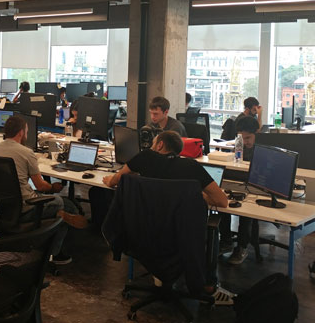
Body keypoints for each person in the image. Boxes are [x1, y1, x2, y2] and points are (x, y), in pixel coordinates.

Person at [102, 131, 233, 304]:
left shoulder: (144, 157)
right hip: (179, 239)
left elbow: (117, 179)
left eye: (153, 142)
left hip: (141, 233)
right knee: (213, 228)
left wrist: (108, 180)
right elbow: (222, 201)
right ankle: (209, 286)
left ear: (160, 145)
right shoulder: (191, 166)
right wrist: (198, 195)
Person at [0, 115, 88, 264]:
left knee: (64, 206)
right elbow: (41, 186)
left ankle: (50, 240)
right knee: (65, 205)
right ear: (21, 133)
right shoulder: (26, 152)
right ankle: (54, 253)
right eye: (26, 131)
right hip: (26, 207)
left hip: (5, 208)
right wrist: (53, 187)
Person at [220, 115, 259, 265]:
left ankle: (242, 246)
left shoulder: (263, 148)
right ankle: (226, 241)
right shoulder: (239, 143)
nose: (245, 141)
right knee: (222, 204)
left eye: (248, 138)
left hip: (256, 186)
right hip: (239, 182)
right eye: (241, 138)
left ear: (256, 133)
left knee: (245, 211)